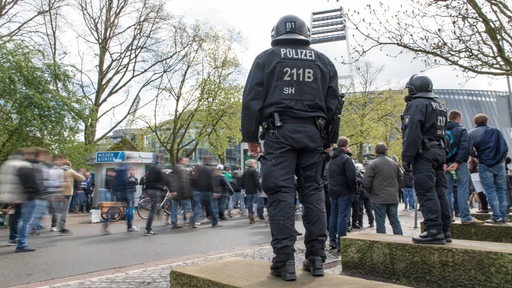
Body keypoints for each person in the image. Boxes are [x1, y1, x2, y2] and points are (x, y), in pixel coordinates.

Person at [241, 14, 341, 281]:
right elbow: (333, 105)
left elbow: (252, 97)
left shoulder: (266, 58)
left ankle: (284, 260)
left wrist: (250, 135)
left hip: (279, 132)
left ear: (276, 33)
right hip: (314, 134)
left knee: (281, 194)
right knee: (314, 192)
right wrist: (331, 138)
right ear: (305, 34)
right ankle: (317, 256)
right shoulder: (323, 61)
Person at [401, 74, 451, 244]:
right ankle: (445, 230)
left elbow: (412, 133)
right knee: (439, 191)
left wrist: (406, 159)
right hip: (438, 150)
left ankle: (433, 230)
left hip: (424, 153)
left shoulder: (416, 104)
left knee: (425, 191)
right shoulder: (439, 104)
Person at [468, 113, 509, 224]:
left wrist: (477, 157)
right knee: (501, 190)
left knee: (489, 190)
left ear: (475, 122)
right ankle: (504, 216)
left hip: (484, 164)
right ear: (487, 121)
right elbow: (505, 147)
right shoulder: (497, 131)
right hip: (499, 164)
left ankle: (496, 216)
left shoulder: (472, 133)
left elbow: (469, 149)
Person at [444, 110, 483, 224]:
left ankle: (448, 217)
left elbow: (439, 147)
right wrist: (457, 162)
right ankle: (465, 217)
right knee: (462, 189)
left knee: (447, 190)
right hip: (459, 164)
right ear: (458, 118)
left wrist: (444, 162)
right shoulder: (461, 130)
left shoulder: (441, 130)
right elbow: (464, 147)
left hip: (445, 165)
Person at [363, 143, 404, 235]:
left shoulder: (373, 164)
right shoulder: (394, 163)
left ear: (375, 151)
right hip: (393, 197)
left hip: (379, 198)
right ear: (386, 151)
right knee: (395, 221)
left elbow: (366, 182)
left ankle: (381, 242)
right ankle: (400, 240)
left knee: (380, 222)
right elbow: (401, 178)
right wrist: (396, 189)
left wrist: (371, 193)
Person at [327, 137, 357, 252]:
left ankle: (332, 241)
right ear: (346, 146)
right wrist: (353, 189)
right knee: (342, 217)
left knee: (333, 216)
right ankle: (341, 243)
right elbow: (352, 177)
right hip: (344, 191)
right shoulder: (346, 159)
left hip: (333, 190)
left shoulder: (332, 158)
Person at [16, 147, 45, 252]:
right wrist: (39, 193)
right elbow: (33, 183)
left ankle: (21, 241)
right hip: (31, 196)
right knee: (26, 220)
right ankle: (21, 243)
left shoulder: (25, 166)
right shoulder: (28, 167)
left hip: (28, 196)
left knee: (25, 220)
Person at [0, 149, 31, 246]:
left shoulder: (6, 164)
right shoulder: (21, 165)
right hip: (18, 195)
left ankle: (13, 237)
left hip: (8, 195)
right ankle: (14, 237)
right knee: (19, 217)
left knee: (14, 216)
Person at [190, 156, 221, 228]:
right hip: (207, 191)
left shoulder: (197, 169)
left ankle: (192, 222)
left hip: (196, 190)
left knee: (197, 207)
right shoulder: (210, 169)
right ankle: (214, 222)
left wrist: (193, 189)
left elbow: (192, 180)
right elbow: (211, 181)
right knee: (211, 207)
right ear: (210, 161)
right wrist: (214, 191)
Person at [170, 157, 194, 229]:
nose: (187, 162)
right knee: (188, 208)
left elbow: (171, 181)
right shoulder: (183, 169)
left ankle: (174, 224)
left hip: (175, 192)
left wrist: (172, 190)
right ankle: (191, 222)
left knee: (174, 209)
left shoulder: (174, 169)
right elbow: (184, 182)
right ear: (181, 161)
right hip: (182, 193)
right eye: (186, 161)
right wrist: (186, 193)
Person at [143, 163, 164, 235]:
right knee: (153, 210)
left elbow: (146, 181)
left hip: (149, 190)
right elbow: (162, 178)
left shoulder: (149, 171)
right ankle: (148, 229)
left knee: (154, 207)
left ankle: (158, 210)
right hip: (155, 190)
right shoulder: (158, 169)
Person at [240, 159, 262, 224]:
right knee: (255, 203)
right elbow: (257, 181)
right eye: (255, 163)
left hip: (248, 190)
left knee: (249, 203)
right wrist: (260, 189)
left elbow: (241, 181)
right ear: (253, 164)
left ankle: (250, 214)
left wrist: (243, 187)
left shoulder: (245, 171)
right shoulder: (254, 170)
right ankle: (253, 215)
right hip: (255, 189)